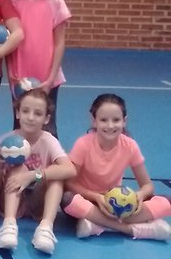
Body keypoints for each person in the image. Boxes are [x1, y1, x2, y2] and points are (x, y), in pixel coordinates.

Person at [62, 93, 171, 240]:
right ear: (94, 121)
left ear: (124, 121)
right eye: (103, 120)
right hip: (88, 200)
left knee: (166, 201)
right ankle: (131, 229)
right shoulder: (83, 144)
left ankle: (97, 224)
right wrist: (96, 197)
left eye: (116, 120)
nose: (110, 125)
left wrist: (139, 196)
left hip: (115, 205)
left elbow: (147, 186)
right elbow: (69, 183)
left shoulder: (130, 146)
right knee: (67, 199)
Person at [0, 90, 76, 255]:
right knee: (18, 167)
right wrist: (1, 168)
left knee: (56, 175)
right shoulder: (4, 144)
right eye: (25, 111)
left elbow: (69, 169)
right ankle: (9, 225)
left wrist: (32, 175)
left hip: (38, 203)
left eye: (38, 113)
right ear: (17, 113)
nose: (30, 117)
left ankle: (45, 228)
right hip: (10, 201)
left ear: (47, 119)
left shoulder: (49, 141)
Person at [7, 0, 70, 137]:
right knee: (20, 123)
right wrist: (13, 76)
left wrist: (50, 78)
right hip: (20, 79)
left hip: (46, 79)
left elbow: (59, 43)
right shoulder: (14, 1)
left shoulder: (55, 1)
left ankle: (50, 165)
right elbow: (10, 41)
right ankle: (17, 163)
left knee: (47, 126)